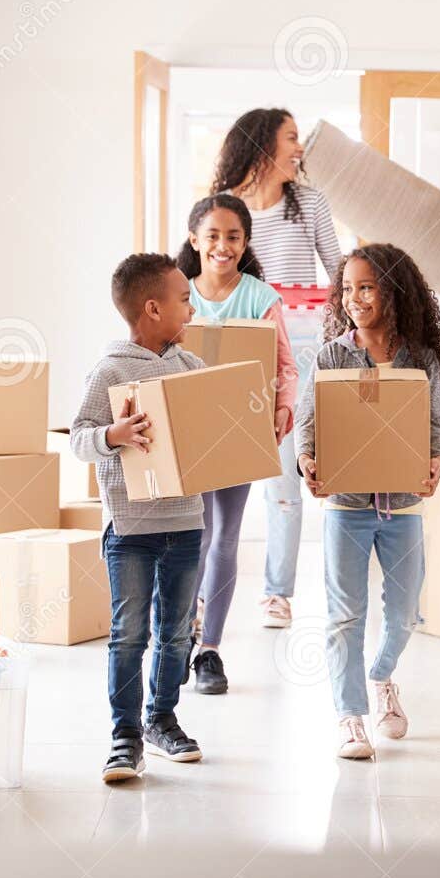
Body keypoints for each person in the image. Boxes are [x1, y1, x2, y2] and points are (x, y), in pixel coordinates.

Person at [295, 244, 440, 760]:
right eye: (347, 289)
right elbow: (309, 421)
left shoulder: (420, 359)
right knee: (345, 615)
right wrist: (307, 460)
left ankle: (382, 675)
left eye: (366, 287)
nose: (354, 299)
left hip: (403, 503)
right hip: (346, 504)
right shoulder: (331, 356)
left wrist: (436, 459)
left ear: (393, 291)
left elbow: (438, 422)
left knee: (405, 614)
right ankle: (349, 716)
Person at [71, 253, 207, 784]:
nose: (191, 307)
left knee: (176, 633)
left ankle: (162, 718)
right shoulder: (110, 370)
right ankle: (124, 735)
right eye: (183, 299)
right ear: (153, 308)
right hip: (130, 530)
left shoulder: (190, 368)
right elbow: (80, 437)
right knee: (130, 633)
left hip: (186, 522)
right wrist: (114, 436)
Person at [212, 108, 343, 631]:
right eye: (291, 138)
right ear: (263, 144)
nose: (299, 148)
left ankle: (276, 593)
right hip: (241, 348)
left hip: (302, 350)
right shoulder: (227, 212)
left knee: (286, 475)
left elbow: (339, 275)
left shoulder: (308, 203)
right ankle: (205, 592)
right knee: (220, 472)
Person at [175, 193, 298, 695]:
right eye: (213, 236)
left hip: (240, 430)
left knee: (225, 534)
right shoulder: (177, 292)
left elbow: (285, 366)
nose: (223, 246)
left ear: (245, 243)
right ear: (194, 240)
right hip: (188, 430)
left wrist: (282, 409)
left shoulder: (261, 298)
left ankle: (211, 651)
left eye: (234, 237)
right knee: (192, 537)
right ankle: (180, 636)